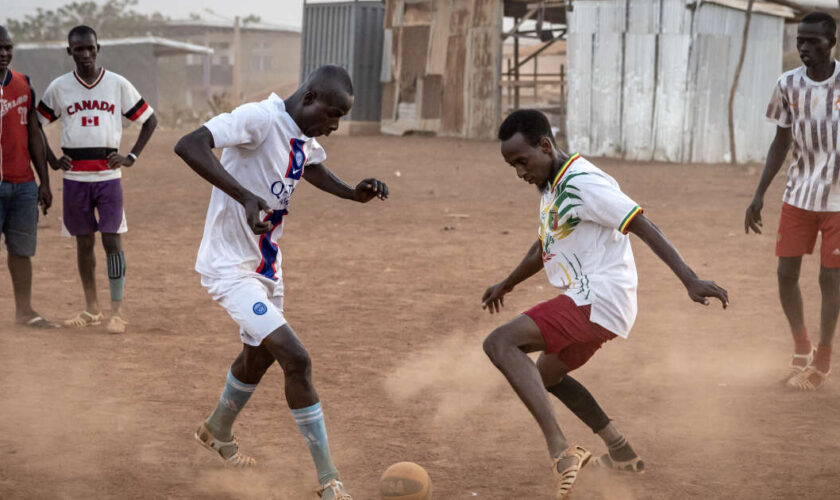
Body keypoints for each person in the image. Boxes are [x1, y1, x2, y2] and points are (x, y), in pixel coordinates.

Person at [481, 110, 728, 499]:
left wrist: (689, 278)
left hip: (597, 299)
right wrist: (506, 284)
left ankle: (561, 451)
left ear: (545, 146)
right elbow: (542, 247)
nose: (518, 172)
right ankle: (619, 448)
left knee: (500, 343)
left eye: (522, 161)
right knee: (545, 377)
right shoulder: (551, 185)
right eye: (512, 165)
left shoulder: (584, 183)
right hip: (594, 303)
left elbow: (642, 223)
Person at [174, 65, 388, 500]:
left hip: (267, 269)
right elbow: (189, 144)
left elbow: (307, 165)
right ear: (309, 97)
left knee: (260, 356)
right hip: (230, 269)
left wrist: (352, 193)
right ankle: (330, 482)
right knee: (296, 357)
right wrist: (245, 196)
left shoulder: (302, 135)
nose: (335, 125)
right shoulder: (258, 118)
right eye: (333, 114)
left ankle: (216, 429)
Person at [37, 25, 157, 334]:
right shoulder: (60, 87)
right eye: (79, 49)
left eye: (90, 48)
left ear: (98, 49)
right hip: (75, 177)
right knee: (84, 243)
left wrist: (132, 156)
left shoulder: (116, 84)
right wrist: (52, 158)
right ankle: (91, 308)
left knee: (112, 240)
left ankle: (116, 312)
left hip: (108, 176)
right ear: (70, 52)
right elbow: (35, 125)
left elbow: (149, 119)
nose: (86, 54)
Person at [746, 11, 840, 390]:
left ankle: (823, 358)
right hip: (799, 194)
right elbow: (781, 142)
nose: (804, 46)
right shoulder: (787, 85)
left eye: (812, 40)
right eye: (800, 40)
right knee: (786, 274)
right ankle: (801, 347)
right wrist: (759, 194)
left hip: (838, 201)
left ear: (830, 42)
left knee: (829, 278)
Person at [0, 26, 55, 329]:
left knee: (21, 252)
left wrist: (43, 182)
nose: (4, 53)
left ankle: (24, 311)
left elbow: (34, 132)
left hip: (22, 185)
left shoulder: (23, 84)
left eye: (8, 47)